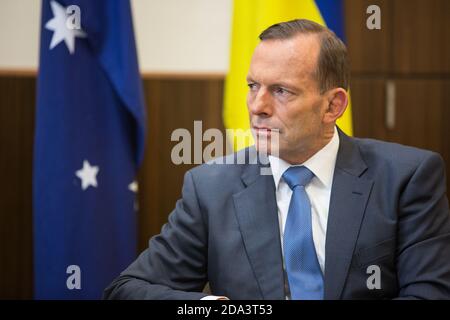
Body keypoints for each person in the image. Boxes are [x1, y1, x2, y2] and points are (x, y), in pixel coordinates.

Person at [104, 19, 450, 300]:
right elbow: (126, 290)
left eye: (281, 91)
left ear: (333, 106)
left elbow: (429, 294)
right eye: (253, 86)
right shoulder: (211, 187)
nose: (257, 107)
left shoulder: (406, 178)